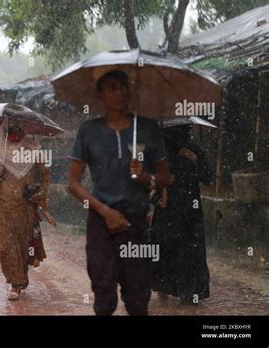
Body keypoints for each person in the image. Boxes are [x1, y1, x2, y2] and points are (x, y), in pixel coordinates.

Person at [67, 70, 172, 315]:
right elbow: (73, 183)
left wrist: (144, 177)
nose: (120, 92)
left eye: (124, 86)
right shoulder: (89, 131)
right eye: (112, 87)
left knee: (138, 294)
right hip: (100, 221)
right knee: (103, 292)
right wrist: (106, 212)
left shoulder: (147, 128)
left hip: (135, 220)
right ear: (100, 94)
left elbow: (166, 177)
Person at [0, 121, 51, 300]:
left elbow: (46, 174)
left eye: (19, 129)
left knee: (22, 244)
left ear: (25, 131)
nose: (15, 133)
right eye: (10, 129)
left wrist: (41, 192)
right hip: (3, 205)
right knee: (5, 246)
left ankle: (19, 280)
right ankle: (15, 282)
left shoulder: (34, 150)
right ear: (4, 130)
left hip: (25, 205)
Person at [150, 125, 213, 304]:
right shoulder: (158, 154)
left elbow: (208, 177)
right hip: (167, 213)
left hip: (189, 213)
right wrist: (159, 196)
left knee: (189, 250)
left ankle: (189, 291)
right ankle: (164, 286)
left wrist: (194, 158)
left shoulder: (192, 151)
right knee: (167, 249)